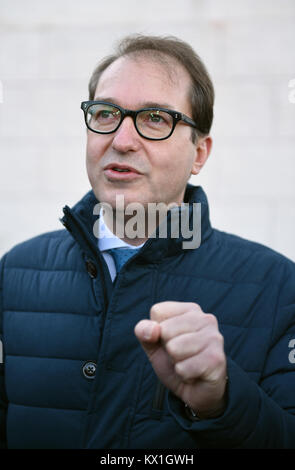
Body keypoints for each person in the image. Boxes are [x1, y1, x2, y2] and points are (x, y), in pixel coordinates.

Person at [0, 34, 295, 450]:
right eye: (105, 113)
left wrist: (222, 401)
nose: (121, 140)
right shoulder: (14, 272)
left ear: (199, 154)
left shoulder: (280, 288)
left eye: (155, 118)